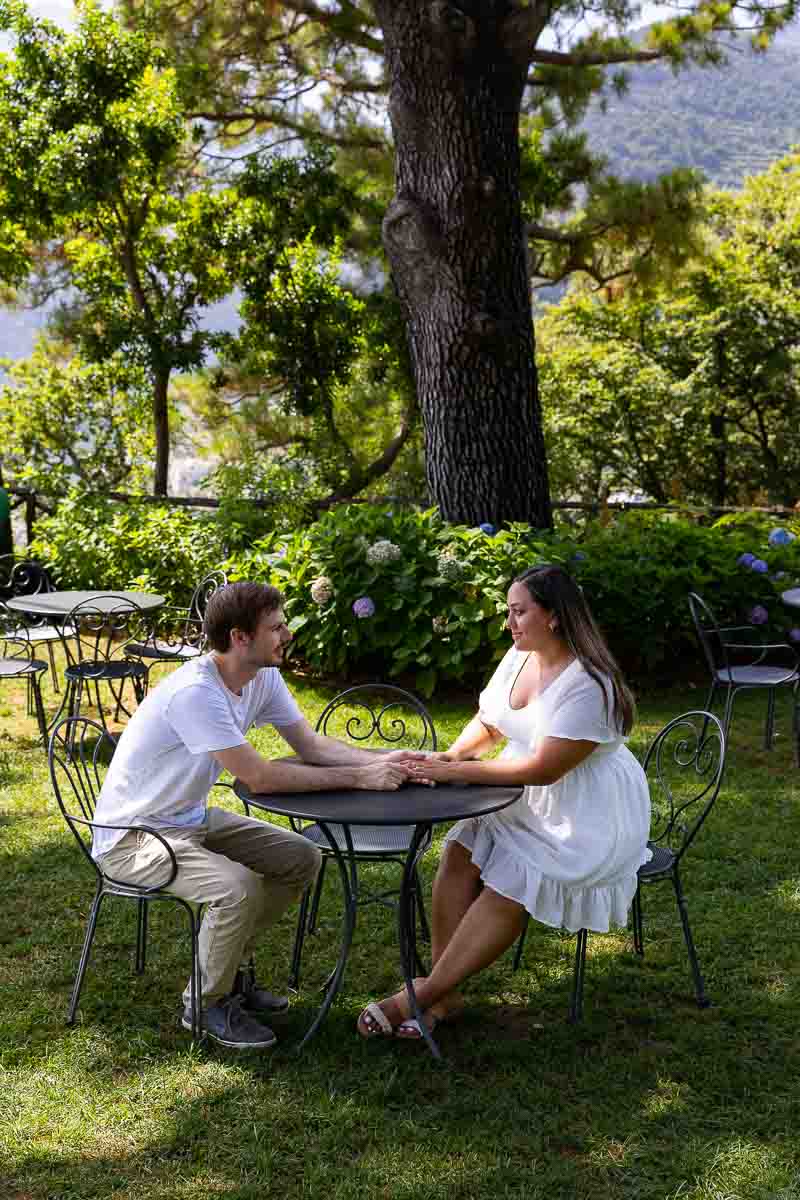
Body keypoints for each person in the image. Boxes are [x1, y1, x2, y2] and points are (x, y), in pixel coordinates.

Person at [93, 581, 416, 1050]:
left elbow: (309, 746)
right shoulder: (195, 692)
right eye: (277, 627)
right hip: (132, 839)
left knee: (301, 857)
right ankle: (204, 1004)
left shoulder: (261, 677)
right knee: (235, 888)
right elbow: (259, 776)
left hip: (187, 820)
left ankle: (226, 972)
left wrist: (380, 761)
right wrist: (362, 780)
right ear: (241, 637)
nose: (287, 634)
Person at [357, 562, 651, 1039]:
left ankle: (422, 995)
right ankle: (445, 992)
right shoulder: (520, 656)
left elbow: (545, 769)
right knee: (458, 853)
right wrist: (453, 754)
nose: (510, 622)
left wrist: (454, 773)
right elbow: (491, 723)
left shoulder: (589, 685)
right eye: (510, 612)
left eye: (519, 612)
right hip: (520, 796)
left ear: (553, 616)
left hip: (585, 815)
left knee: (513, 879)